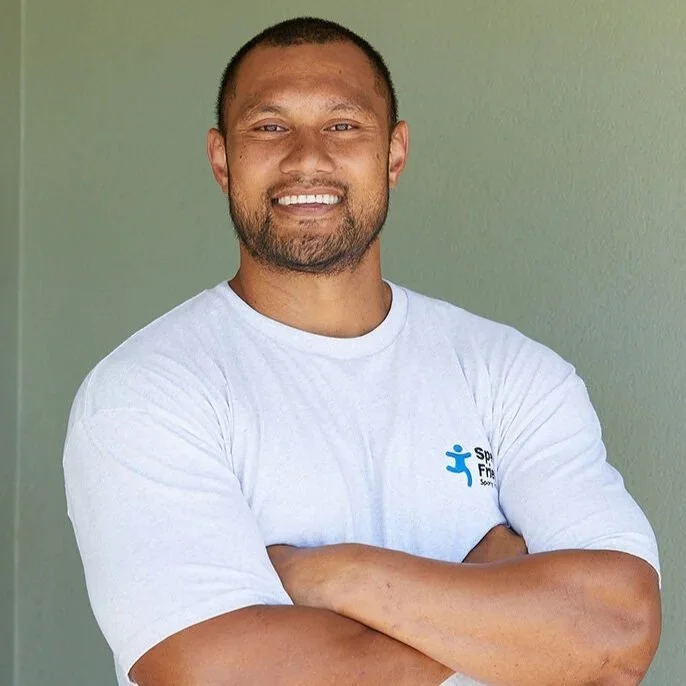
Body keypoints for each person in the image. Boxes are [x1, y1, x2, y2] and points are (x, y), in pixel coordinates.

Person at [63, 16, 661, 686]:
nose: (307, 158)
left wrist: (331, 574)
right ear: (222, 159)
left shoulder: (514, 375)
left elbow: (617, 630)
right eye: (269, 126)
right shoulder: (147, 391)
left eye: (343, 125)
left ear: (394, 155)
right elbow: (215, 674)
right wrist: (500, 607)